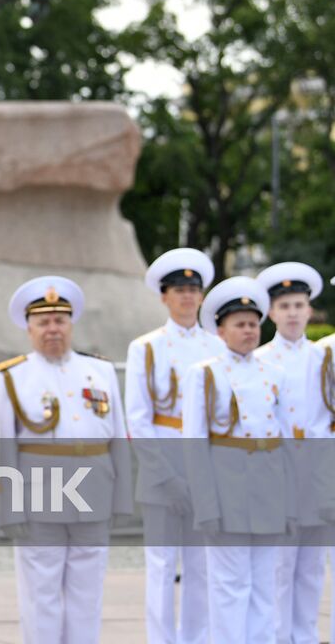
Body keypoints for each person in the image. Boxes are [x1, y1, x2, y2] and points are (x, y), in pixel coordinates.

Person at [0, 276, 132, 644]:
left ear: (71, 324)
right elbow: (2, 448)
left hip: (94, 493)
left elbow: (118, 438)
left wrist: (122, 497)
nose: (53, 329)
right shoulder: (12, 377)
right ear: (29, 328)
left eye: (60, 321)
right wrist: (9, 507)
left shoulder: (100, 372)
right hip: (40, 498)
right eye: (43, 322)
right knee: (41, 596)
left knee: (88, 595)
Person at [182, 277, 292, 644]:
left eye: (253, 324)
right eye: (240, 325)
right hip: (227, 492)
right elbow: (195, 445)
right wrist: (205, 505)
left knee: (264, 584)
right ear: (220, 329)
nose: (248, 331)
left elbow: (283, 441)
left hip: (266, 491)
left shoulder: (274, 374)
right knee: (230, 586)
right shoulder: (205, 374)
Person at [124, 247, 222, 644]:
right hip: (162, 467)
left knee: (201, 565)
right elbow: (137, 418)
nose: (186, 297)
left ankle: (196, 638)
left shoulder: (218, 347)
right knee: (162, 565)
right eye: (178, 289)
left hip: (207, 469)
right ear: (164, 296)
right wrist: (166, 477)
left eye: (193, 289)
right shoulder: (146, 348)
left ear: (201, 296)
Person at [254, 261, 325, 644]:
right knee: (279, 565)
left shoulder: (324, 359)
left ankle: (307, 635)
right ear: (271, 312)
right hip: (278, 471)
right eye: (285, 306)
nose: (293, 313)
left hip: (316, 470)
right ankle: (278, 637)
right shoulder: (260, 360)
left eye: (299, 305)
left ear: (310, 310)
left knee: (312, 567)